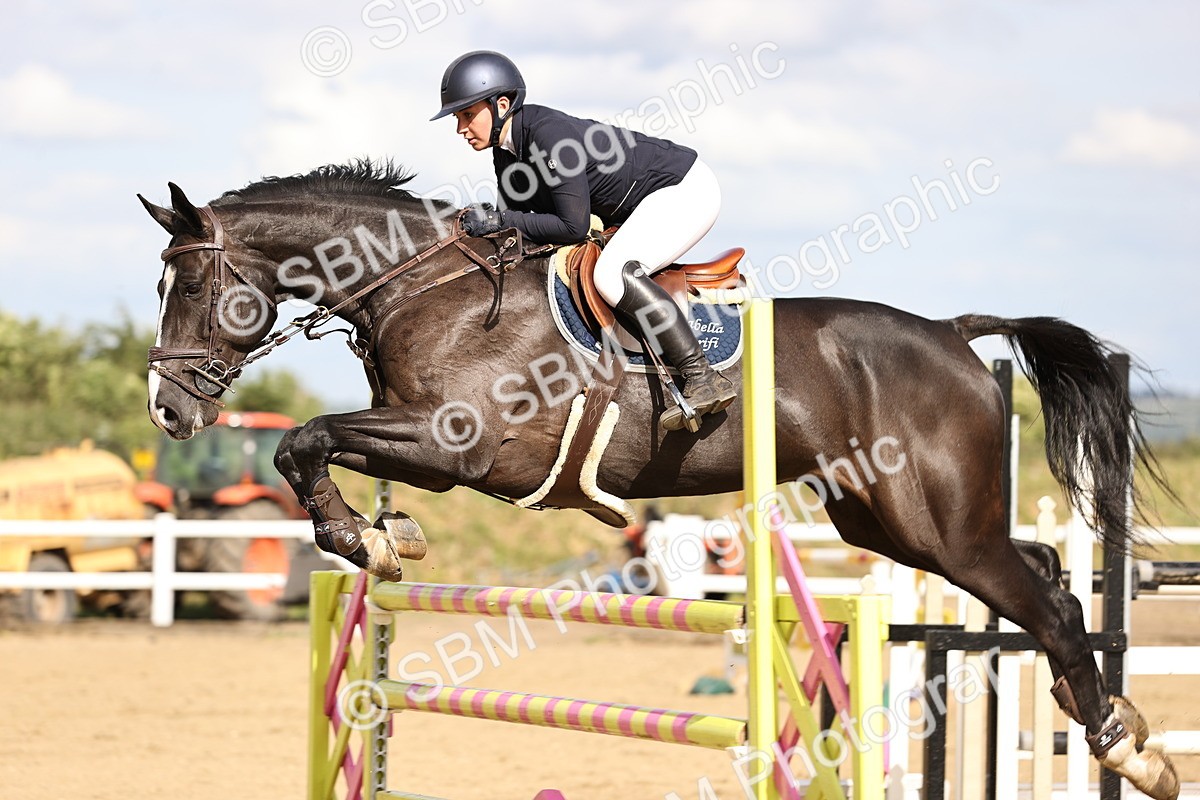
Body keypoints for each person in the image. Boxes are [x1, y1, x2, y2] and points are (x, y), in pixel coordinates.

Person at [431, 50, 736, 432]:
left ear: (502, 104)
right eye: (458, 118)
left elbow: (572, 226)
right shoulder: (507, 155)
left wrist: (499, 219)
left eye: (466, 114)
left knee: (612, 274)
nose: (460, 127)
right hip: (640, 205)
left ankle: (701, 376)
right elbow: (518, 232)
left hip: (684, 191)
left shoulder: (550, 137)